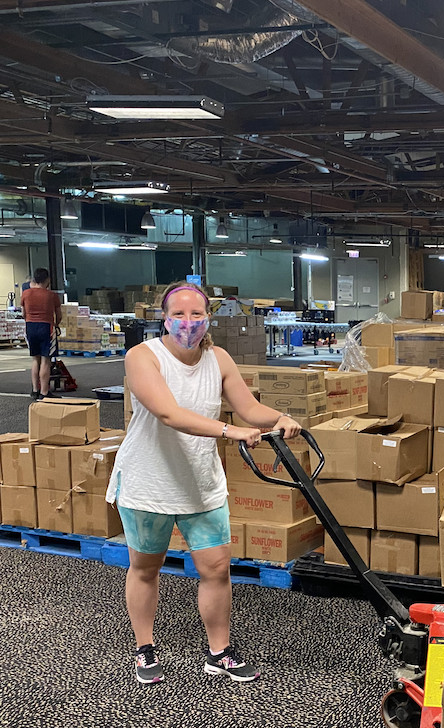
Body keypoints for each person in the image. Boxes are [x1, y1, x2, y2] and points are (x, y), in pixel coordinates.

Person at [106, 282, 302, 685]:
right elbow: (168, 414)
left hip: (201, 483)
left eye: (196, 314)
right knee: (146, 567)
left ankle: (220, 652)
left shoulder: (218, 358)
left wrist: (277, 418)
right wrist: (229, 433)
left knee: (216, 568)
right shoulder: (143, 357)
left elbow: (248, 407)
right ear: (163, 318)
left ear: (208, 317)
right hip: (149, 481)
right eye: (178, 314)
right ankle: (145, 648)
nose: (188, 322)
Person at [21, 267, 62, 400]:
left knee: (35, 359)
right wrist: (56, 325)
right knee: (46, 359)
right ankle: (44, 391)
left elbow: (23, 314)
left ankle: (34, 390)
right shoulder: (51, 295)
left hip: (30, 327)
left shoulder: (25, 294)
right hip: (46, 327)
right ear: (48, 280)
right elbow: (59, 315)